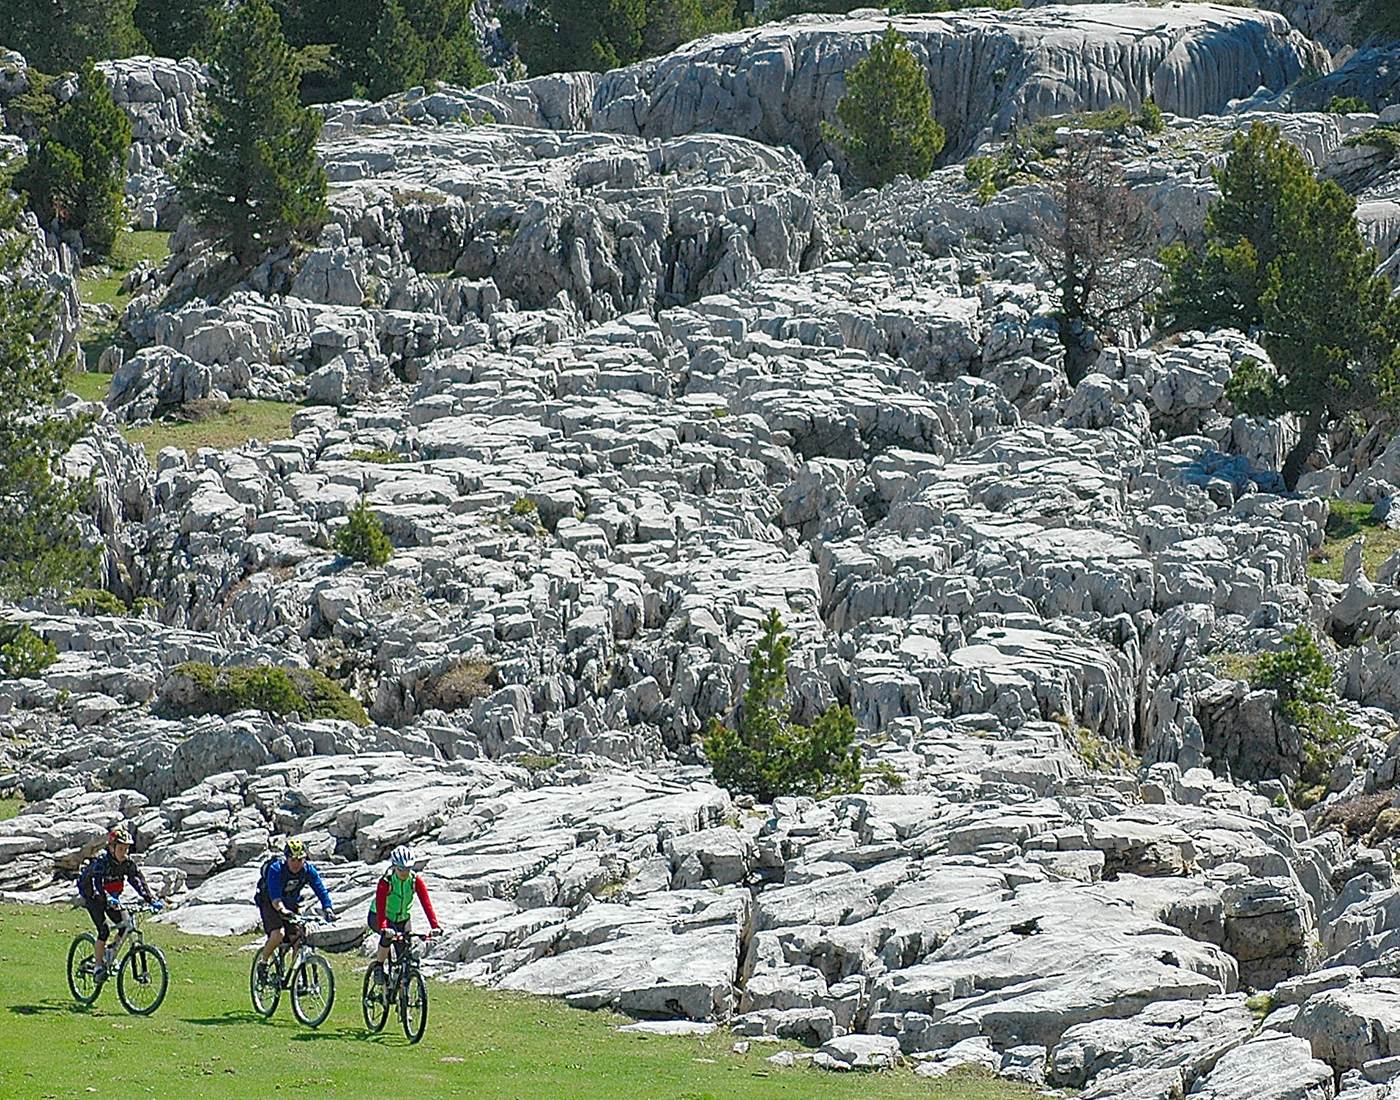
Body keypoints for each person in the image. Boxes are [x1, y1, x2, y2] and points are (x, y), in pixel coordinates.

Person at [77, 824, 162, 982]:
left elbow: (137, 881)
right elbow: (96, 883)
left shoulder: (127, 863)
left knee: (125, 924)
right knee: (104, 931)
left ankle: (109, 953)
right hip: (94, 898)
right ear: (112, 848)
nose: (124, 853)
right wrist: (106, 897)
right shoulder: (101, 862)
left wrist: (151, 899)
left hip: (111, 898)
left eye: (127, 849)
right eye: (121, 849)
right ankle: (97, 967)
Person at [254, 838, 334, 984]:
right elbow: (275, 898)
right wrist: (282, 910)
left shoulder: (308, 870)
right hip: (270, 903)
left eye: (300, 859)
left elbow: (320, 889)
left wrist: (327, 907)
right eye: (293, 860)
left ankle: (296, 979)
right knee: (278, 934)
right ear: (287, 858)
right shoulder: (276, 870)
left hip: (291, 904)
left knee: (299, 939)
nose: (297, 863)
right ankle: (263, 962)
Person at [368, 846, 440, 983]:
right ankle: (378, 967)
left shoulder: (414, 880)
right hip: (379, 916)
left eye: (408, 869)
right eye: (401, 869)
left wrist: (434, 926)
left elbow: (426, 903)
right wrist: (384, 927)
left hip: (403, 918)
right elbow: (380, 905)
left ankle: (401, 988)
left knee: (405, 952)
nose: (404, 873)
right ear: (394, 867)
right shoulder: (386, 881)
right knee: (387, 937)